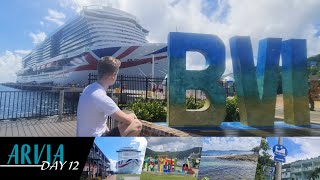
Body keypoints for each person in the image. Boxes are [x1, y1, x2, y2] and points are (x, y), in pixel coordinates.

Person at [77, 56, 142, 136]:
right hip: (96, 141)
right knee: (136, 124)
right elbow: (127, 120)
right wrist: (132, 114)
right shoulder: (101, 96)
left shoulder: (88, 88)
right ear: (113, 76)